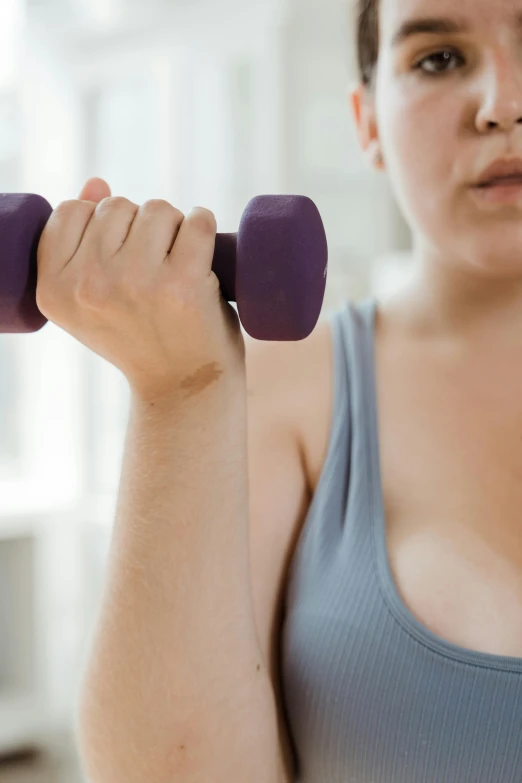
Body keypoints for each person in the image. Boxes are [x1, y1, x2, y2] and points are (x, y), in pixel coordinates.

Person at [36, 0, 522, 781]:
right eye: (438, 58)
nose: (502, 104)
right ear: (367, 123)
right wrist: (180, 393)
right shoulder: (289, 391)